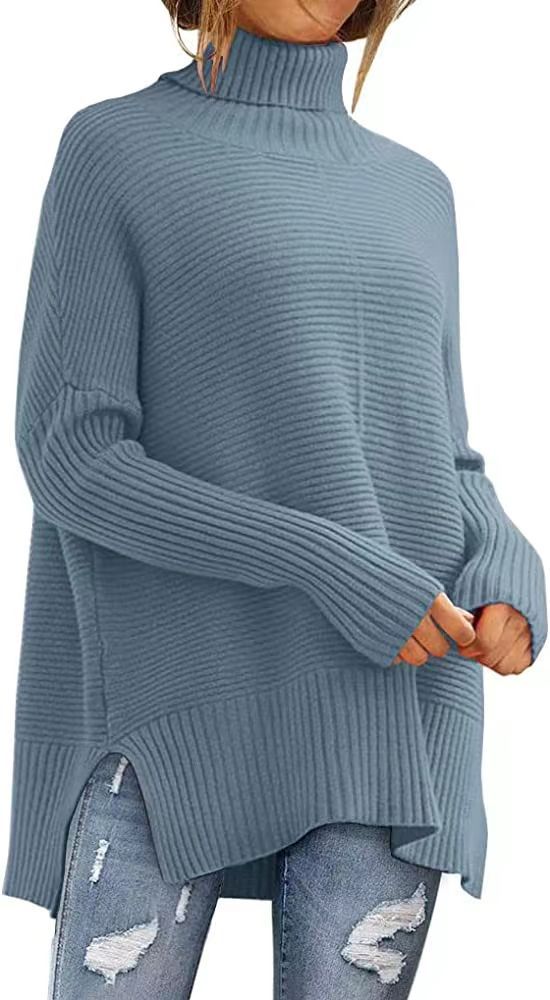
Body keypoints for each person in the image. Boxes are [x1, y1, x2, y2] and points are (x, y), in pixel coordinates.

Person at [4, 2, 547, 997]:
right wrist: (333, 564)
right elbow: (73, 455)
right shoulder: (116, 149)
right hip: (173, 707)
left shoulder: (417, 189)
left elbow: (442, 455)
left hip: (388, 714)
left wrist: (507, 565)